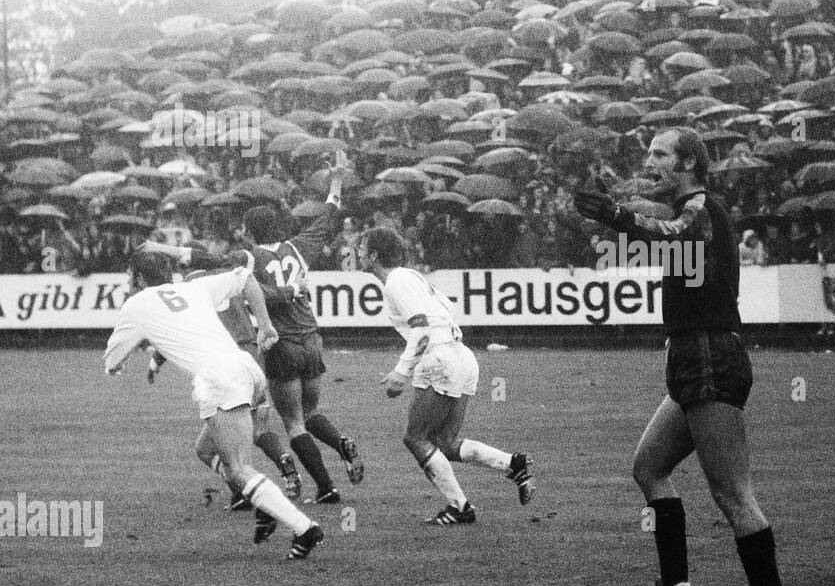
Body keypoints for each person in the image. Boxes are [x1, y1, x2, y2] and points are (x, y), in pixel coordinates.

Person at [574, 126, 794, 586]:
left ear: (690, 162)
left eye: (661, 152)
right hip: (694, 358)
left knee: (732, 493)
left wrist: (617, 215)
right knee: (648, 467)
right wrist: (620, 207)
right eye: (648, 151)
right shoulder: (688, 208)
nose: (650, 159)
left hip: (710, 357)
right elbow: (661, 231)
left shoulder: (698, 210)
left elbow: (669, 235)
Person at [157, 167, 363, 504]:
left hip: (281, 344)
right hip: (313, 339)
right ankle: (341, 443)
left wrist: (166, 250)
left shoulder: (248, 257)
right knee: (311, 414)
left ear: (249, 232)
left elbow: (209, 259)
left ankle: (327, 488)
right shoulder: (298, 249)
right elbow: (330, 216)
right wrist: (336, 181)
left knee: (293, 422)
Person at [103, 250, 323, 560]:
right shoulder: (193, 287)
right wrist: (265, 325)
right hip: (246, 368)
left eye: (129, 276)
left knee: (239, 470)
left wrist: (115, 366)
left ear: (138, 278)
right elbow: (246, 278)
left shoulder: (136, 304)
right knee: (205, 450)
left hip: (221, 380)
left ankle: (305, 529)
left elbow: (112, 358)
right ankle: (265, 504)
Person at [357, 226, 532, 523]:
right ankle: (513, 464)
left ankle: (460, 507)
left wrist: (402, 371)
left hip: (440, 358)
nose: (357, 253)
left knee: (415, 438)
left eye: (361, 248)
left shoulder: (396, 281)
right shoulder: (410, 276)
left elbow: (422, 326)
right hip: (460, 356)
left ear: (373, 255)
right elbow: (447, 307)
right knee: (445, 443)